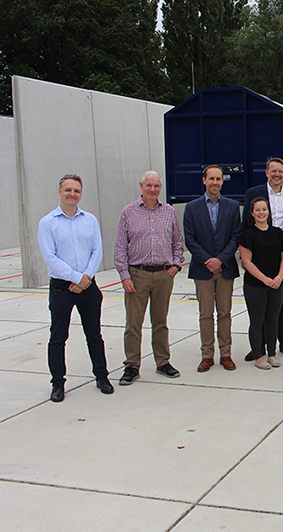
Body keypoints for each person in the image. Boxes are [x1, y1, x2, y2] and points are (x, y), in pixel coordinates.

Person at [37, 174, 111, 402]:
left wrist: (85, 278)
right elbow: (50, 257)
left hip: (88, 286)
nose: (72, 194)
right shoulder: (48, 222)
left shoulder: (90, 220)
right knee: (58, 337)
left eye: (76, 191)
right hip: (62, 288)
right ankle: (57, 383)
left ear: (81, 193)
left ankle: (101, 376)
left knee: (94, 335)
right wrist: (76, 278)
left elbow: (97, 250)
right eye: (68, 190)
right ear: (59, 192)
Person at [115, 170, 184, 385]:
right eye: (149, 186)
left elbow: (177, 242)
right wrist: (125, 275)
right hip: (138, 275)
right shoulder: (128, 213)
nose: (152, 189)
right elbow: (120, 248)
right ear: (141, 186)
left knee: (160, 322)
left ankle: (163, 361)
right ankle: (132, 365)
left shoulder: (169, 212)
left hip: (164, 275)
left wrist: (175, 265)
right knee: (133, 324)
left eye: (156, 186)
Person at [242, 157, 283, 358]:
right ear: (267, 173)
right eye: (273, 171)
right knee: (260, 303)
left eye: (281, 171)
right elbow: (246, 225)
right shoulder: (254, 194)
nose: (277, 174)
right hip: (260, 256)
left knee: (282, 301)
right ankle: (258, 347)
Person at [183, 164, 242, 373]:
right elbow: (189, 239)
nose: (215, 183)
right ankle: (207, 355)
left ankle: (226, 354)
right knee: (205, 314)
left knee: (225, 313)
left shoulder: (233, 207)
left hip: (225, 269)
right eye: (212, 179)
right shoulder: (191, 208)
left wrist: (221, 260)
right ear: (204, 181)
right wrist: (208, 260)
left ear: (222, 181)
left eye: (218, 179)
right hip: (202, 269)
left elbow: (236, 236)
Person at [238, 198, 283, 370]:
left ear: (269, 211)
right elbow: (247, 262)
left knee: (272, 320)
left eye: (264, 209)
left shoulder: (278, 233)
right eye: (258, 210)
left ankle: (272, 354)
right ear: (252, 213)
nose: (261, 213)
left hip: (276, 284)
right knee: (257, 321)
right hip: (256, 285)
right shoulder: (247, 235)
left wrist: (279, 277)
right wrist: (265, 279)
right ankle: (258, 356)